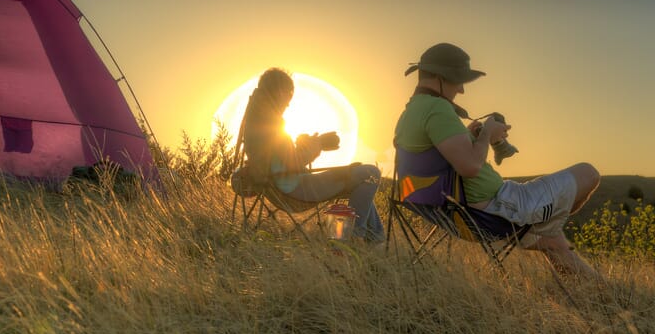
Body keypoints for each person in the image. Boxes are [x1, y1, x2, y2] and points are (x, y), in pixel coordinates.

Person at [394, 42, 601, 277]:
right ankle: (547, 218)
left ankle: (602, 295)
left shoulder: (410, 112)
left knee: (554, 241)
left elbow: (447, 156)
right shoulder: (437, 108)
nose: (461, 89)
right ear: (442, 76)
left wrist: (473, 136)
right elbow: (470, 167)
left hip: (454, 213)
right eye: (459, 80)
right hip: (493, 213)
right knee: (589, 172)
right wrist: (488, 135)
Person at [238, 67, 384, 242]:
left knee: (362, 178)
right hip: (296, 190)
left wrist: (304, 144)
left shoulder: (255, 117)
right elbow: (293, 162)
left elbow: (281, 157)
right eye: (289, 94)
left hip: (280, 187)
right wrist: (318, 145)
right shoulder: (272, 122)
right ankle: (351, 240)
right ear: (280, 91)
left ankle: (376, 241)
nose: (289, 102)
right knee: (370, 174)